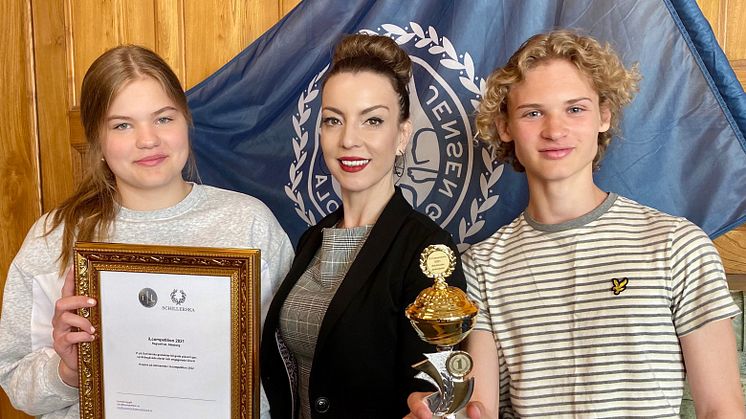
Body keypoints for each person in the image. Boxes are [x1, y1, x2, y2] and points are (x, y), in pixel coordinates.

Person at [407, 29, 745, 418]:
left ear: (604, 115)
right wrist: (441, 410)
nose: (554, 130)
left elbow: (722, 408)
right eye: (533, 112)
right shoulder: (482, 267)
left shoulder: (677, 245)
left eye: (575, 109)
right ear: (505, 127)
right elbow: (477, 408)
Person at [0, 45, 294, 419]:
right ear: (98, 140)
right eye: (122, 124)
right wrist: (67, 371)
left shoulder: (249, 223)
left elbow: (290, 366)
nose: (148, 140)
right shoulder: (55, 237)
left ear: (186, 120)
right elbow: (16, 385)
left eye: (163, 119)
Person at [260, 33, 467, 418]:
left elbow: (431, 389)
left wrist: (431, 404)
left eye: (372, 120)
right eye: (333, 120)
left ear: (402, 135)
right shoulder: (313, 240)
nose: (349, 139)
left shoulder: (427, 251)